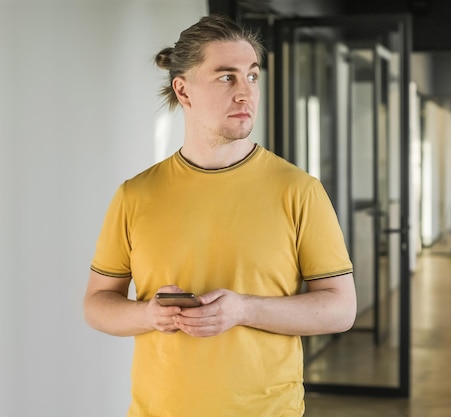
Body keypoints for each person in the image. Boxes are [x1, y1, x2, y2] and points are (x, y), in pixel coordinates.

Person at [83, 14, 357, 417]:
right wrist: (148, 314)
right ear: (184, 90)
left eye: (252, 75)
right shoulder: (135, 195)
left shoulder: (299, 190)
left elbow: (341, 309)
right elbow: (96, 304)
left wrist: (244, 309)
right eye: (226, 77)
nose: (246, 92)